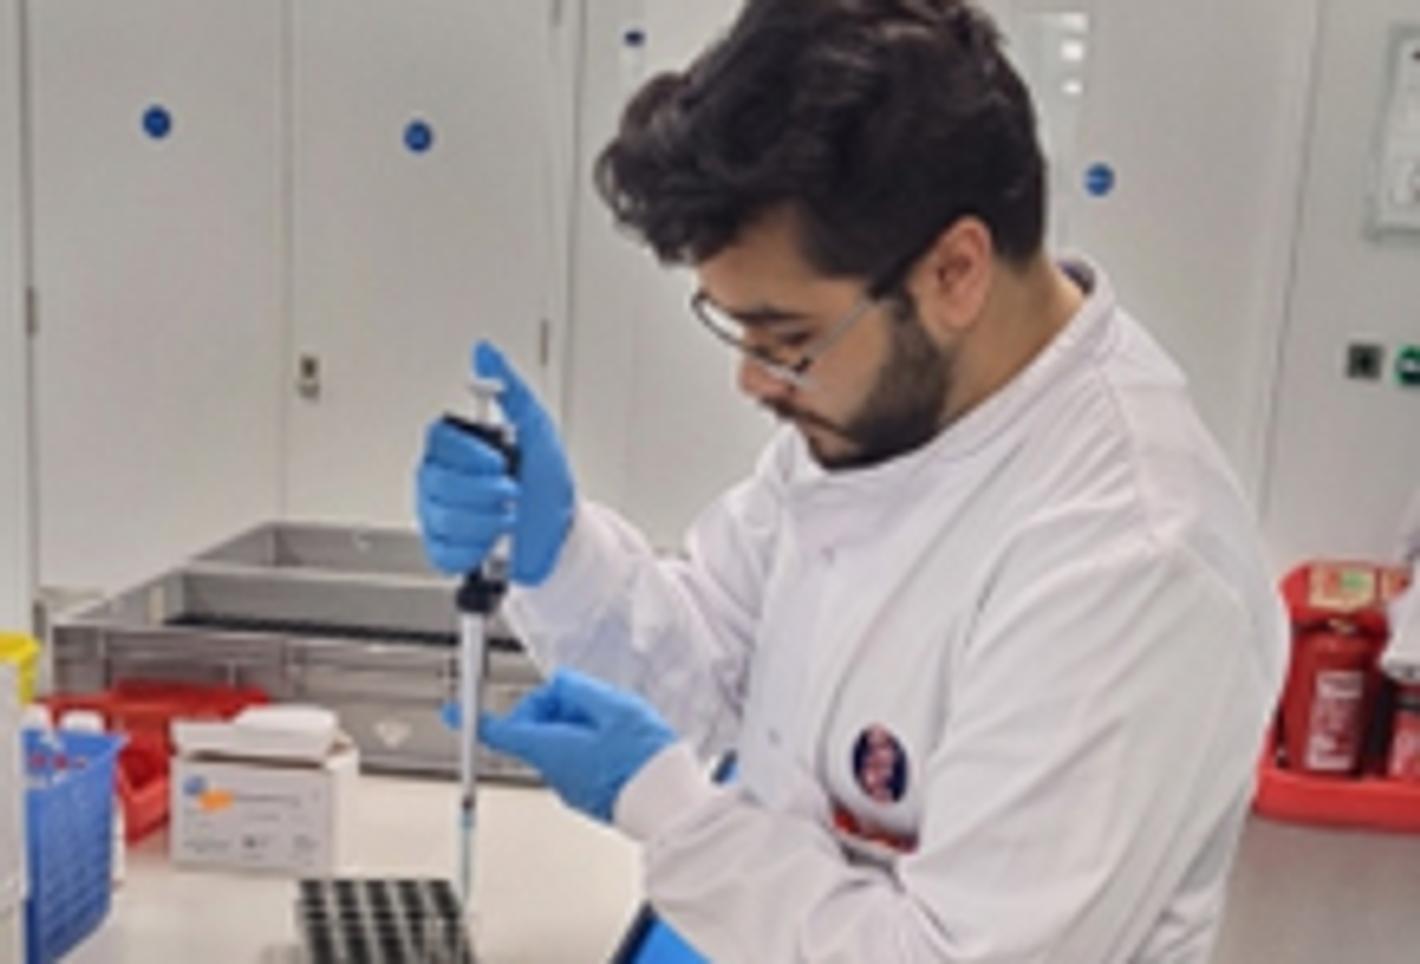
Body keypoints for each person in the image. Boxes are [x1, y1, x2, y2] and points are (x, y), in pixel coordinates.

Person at [415, 0, 1287, 959]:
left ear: (956, 271)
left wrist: (669, 812)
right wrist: (561, 555)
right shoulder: (880, 414)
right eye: (737, 330)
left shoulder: (1131, 556)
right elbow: (709, 668)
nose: (754, 380)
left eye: (786, 338)